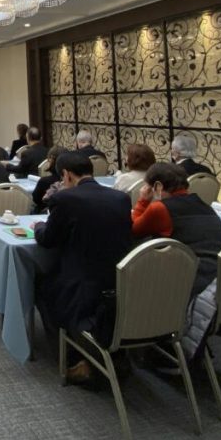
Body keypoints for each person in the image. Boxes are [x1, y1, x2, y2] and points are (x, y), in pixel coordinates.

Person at [33, 152, 132, 383]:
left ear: (66, 175)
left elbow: (48, 239)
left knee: (41, 286)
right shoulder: (120, 198)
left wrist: (38, 226)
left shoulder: (65, 199)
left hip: (81, 282)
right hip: (117, 278)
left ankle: (72, 356)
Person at [131, 162, 221, 295]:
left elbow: (135, 229)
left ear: (157, 187)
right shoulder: (204, 204)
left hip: (192, 280)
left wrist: (143, 201)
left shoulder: (160, 208)